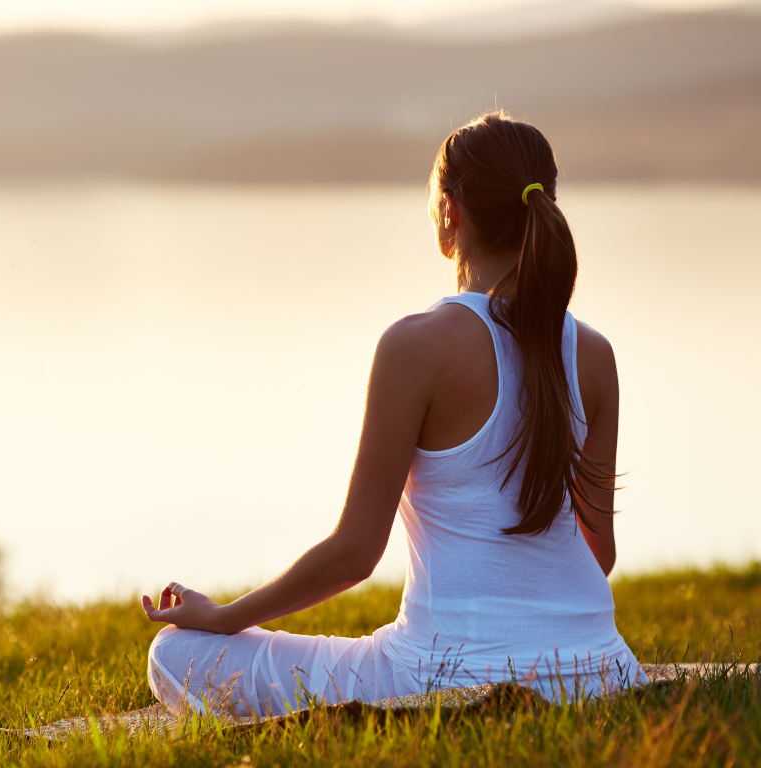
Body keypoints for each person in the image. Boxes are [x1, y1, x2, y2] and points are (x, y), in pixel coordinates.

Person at [141, 111, 643, 716]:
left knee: (174, 653)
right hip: (604, 668)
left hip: (439, 676)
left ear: (451, 210)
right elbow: (599, 554)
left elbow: (356, 553)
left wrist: (223, 617)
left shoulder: (415, 346)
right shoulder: (593, 353)